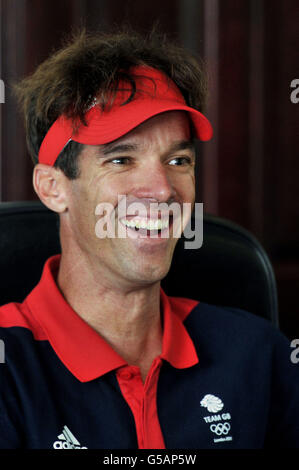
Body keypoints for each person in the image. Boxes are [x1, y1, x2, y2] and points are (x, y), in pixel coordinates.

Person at [0, 28, 298, 450]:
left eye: (178, 160)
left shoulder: (258, 354)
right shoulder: (9, 365)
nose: (161, 190)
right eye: (121, 159)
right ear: (53, 187)